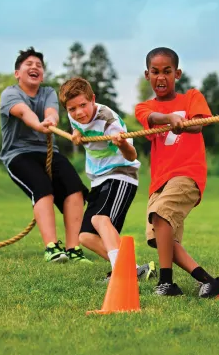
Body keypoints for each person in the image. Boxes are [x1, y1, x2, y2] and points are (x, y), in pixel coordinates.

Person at [134, 47, 219, 298]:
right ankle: (210, 283)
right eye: (155, 72)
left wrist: (182, 125)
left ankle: (166, 284)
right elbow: (152, 117)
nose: (161, 77)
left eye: (167, 71)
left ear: (177, 73)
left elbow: (199, 124)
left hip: (187, 175)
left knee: (161, 214)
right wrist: (168, 118)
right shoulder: (144, 107)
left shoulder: (191, 97)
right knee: (161, 238)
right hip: (159, 182)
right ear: (147, 75)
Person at [58, 77, 157, 281]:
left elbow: (132, 156)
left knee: (100, 219)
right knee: (85, 237)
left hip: (121, 175)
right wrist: (75, 131)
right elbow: (77, 124)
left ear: (93, 99)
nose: (79, 113)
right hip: (98, 180)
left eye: (83, 105)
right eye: (72, 109)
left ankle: (121, 274)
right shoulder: (74, 116)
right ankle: (136, 270)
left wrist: (121, 144)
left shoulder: (108, 121)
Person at [0, 47, 91, 263]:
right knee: (42, 189)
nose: (35, 68)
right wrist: (39, 126)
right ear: (17, 73)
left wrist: (51, 121)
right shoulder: (10, 94)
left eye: (39, 65)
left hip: (48, 152)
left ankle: (73, 249)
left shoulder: (48, 92)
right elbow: (24, 112)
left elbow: (51, 112)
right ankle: (52, 248)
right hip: (18, 155)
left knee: (75, 189)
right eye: (29, 64)